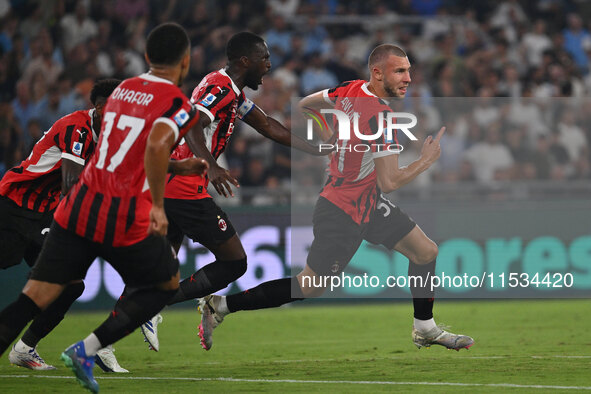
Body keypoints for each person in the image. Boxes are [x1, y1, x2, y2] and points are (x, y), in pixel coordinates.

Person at [197, 44, 474, 351]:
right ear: (377, 73)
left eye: (408, 70)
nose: (408, 78)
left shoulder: (351, 89)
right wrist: (426, 160)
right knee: (309, 286)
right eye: (400, 71)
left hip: (366, 200)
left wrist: (329, 131)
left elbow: (306, 104)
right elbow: (391, 180)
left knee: (425, 252)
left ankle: (425, 328)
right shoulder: (380, 118)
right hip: (342, 210)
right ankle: (220, 306)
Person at [0, 23, 207, 394]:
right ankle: (90, 349)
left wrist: (177, 167)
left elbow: (124, 153)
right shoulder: (178, 105)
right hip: (113, 212)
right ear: (186, 60)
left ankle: (26, 347)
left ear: (145, 57)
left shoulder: (123, 91)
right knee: (165, 283)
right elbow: (157, 147)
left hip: (72, 211)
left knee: (39, 294)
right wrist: (158, 205)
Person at [138, 31, 328, 352]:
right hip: (183, 187)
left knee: (165, 267)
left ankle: (114, 331)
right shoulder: (220, 87)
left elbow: (268, 125)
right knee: (234, 263)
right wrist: (210, 164)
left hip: (173, 185)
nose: (268, 65)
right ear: (246, 61)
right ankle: (148, 307)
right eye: (264, 59)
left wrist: (316, 148)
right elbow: (193, 122)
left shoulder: (234, 93)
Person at [0, 78, 130, 372]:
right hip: (13, 206)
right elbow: (72, 181)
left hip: (44, 214)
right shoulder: (77, 127)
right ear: (98, 107)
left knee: (71, 284)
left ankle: (24, 348)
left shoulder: (110, 139)